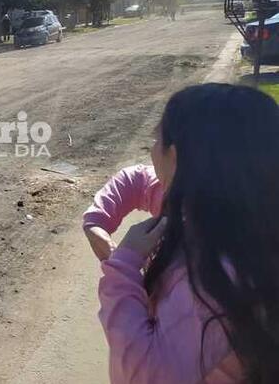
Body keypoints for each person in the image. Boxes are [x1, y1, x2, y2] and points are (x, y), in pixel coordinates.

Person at [85, 83, 279, 383]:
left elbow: (142, 375)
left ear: (175, 159)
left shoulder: (210, 279)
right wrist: (96, 220)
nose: (151, 151)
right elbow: (137, 178)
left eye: (155, 138)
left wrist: (124, 267)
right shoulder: (240, 220)